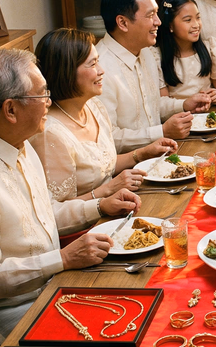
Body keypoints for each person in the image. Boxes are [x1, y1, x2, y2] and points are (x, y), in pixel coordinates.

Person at [0, 49, 137, 339]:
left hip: (57, 283)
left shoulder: (21, 145)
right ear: (10, 110)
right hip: (13, 312)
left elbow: (44, 215)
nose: (49, 103)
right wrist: (62, 259)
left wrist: (100, 206)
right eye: (42, 95)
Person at [29, 28, 177, 235]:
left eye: (98, 61)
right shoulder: (50, 133)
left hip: (117, 211)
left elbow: (103, 165)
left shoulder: (94, 107)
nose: (101, 70)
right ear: (66, 70)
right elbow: (53, 212)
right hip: (85, 233)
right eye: (92, 64)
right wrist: (106, 192)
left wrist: (142, 153)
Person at [97, 0, 211, 153]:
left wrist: (184, 105)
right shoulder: (99, 69)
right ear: (123, 23)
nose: (158, 22)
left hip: (161, 155)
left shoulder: (147, 53)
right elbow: (108, 138)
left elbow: (152, 107)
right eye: (150, 15)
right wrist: (162, 132)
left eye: (157, 14)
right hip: (127, 171)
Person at [153, 0, 216, 103]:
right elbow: (164, 102)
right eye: (188, 20)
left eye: (198, 17)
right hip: (178, 116)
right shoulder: (157, 56)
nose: (196, 25)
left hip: (207, 115)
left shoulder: (210, 48)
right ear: (170, 25)